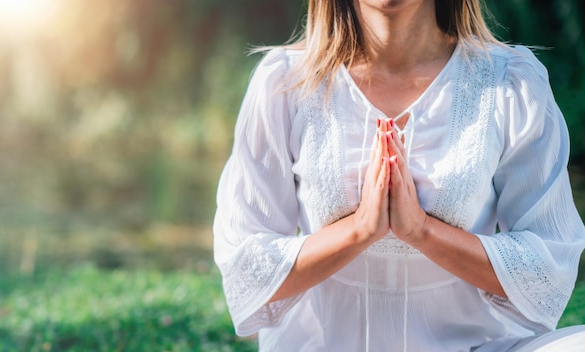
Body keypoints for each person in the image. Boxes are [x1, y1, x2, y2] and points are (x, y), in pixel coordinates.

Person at [213, 0, 585, 351]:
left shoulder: (510, 83)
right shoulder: (285, 83)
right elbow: (245, 267)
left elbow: (548, 268)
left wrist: (422, 231)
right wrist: (358, 230)